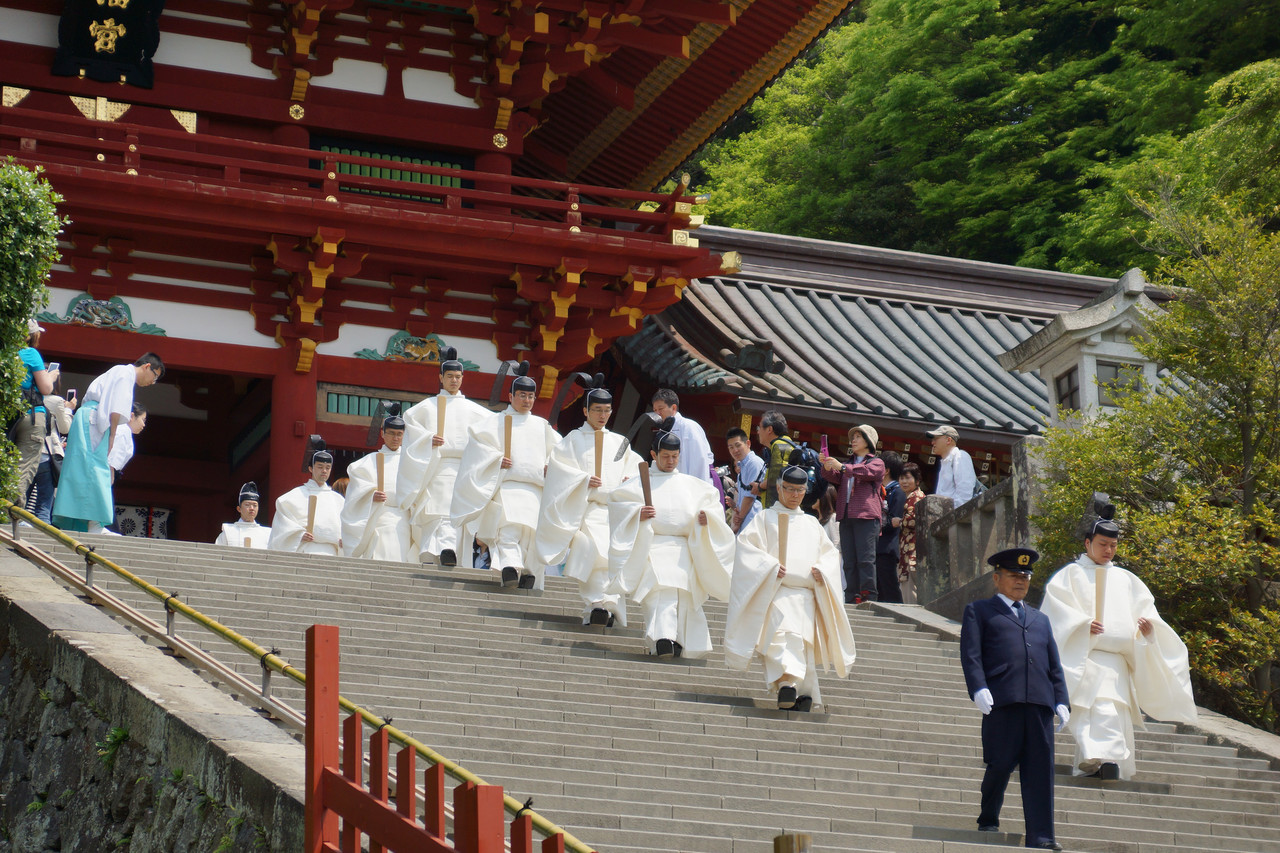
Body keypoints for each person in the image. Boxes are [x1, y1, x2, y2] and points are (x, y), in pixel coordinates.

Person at [1039, 518, 1197, 781]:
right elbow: (1055, 615)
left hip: (1118, 662)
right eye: (1103, 544)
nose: (1108, 550)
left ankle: (1095, 763)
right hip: (1086, 657)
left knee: (1114, 711)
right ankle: (1104, 758)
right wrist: (1081, 626)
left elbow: (1147, 614)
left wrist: (1148, 633)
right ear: (1088, 543)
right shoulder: (1070, 575)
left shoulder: (1127, 579)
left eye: (1113, 545)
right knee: (1098, 709)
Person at [960, 548, 1069, 851]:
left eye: (1026, 576)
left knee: (1040, 771)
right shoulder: (980, 611)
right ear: (997, 578)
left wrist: (1061, 699)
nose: (1021, 581)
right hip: (1003, 700)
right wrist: (978, 687)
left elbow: (1053, 664)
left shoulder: (1040, 619)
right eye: (1014, 575)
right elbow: (971, 654)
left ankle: (1042, 836)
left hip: (1039, 703)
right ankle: (988, 816)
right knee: (999, 763)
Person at [725, 465, 857, 711]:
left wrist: (822, 570)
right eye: (790, 489)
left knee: (802, 644)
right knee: (782, 638)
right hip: (777, 591)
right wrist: (769, 567)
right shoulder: (764, 518)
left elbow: (829, 555)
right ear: (779, 488)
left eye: (800, 490)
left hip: (805, 594)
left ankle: (800, 692)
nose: (795, 495)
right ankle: (788, 684)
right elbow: (747, 550)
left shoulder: (811, 523)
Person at [607, 423, 734, 658]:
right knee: (660, 593)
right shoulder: (636, 484)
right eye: (666, 456)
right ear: (654, 455)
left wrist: (707, 519)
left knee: (685, 597)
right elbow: (618, 504)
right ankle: (662, 638)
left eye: (675, 456)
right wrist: (637, 514)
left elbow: (712, 508)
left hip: (684, 550)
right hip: (653, 547)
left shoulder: (693, 486)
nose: (671, 461)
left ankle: (680, 641)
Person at [535, 381, 643, 626]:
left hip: (613, 512)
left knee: (611, 558)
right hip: (586, 508)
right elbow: (558, 469)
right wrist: (583, 480)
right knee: (594, 555)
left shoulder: (620, 442)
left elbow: (635, 468)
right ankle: (598, 602)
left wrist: (629, 480)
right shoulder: (573, 439)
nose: (602, 415)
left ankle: (601, 607)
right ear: (586, 411)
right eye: (597, 410)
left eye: (606, 411)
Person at [450, 363, 559, 588]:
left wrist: (551, 464)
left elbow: (559, 452)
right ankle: (509, 566)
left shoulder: (542, 426)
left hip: (534, 491)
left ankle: (528, 572)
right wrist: (496, 460)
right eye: (522, 395)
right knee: (507, 531)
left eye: (531, 396)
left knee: (530, 536)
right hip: (507, 487)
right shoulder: (493, 423)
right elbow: (477, 449)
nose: (527, 400)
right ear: (511, 396)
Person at [52, 354, 164, 533]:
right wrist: (112, 434)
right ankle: (94, 523)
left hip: (92, 418)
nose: (152, 382)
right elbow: (116, 408)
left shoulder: (122, 372)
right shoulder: (125, 373)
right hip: (94, 420)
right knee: (95, 469)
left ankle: (86, 523)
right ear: (147, 366)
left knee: (85, 469)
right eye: (155, 376)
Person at [400, 347, 490, 566]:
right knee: (437, 512)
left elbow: (492, 436)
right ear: (441, 377)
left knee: (454, 514)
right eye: (449, 376)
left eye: (458, 376)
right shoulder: (424, 408)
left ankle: (446, 551)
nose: (454, 380)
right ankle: (437, 550)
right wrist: (427, 440)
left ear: (463, 378)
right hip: (436, 467)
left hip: (463, 469)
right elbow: (411, 429)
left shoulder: (477, 411)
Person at [819, 424, 884, 603]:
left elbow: (866, 472)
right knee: (849, 560)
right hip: (846, 515)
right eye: (853, 437)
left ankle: (868, 596)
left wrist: (841, 467)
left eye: (858, 437)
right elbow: (832, 476)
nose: (853, 440)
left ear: (868, 441)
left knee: (866, 559)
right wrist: (826, 465)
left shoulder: (876, 462)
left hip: (866, 515)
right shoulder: (848, 464)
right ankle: (851, 595)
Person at [341, 410, 412, 562]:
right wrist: (370, 495)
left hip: (403, 518)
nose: (395, 438)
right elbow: (356, 492)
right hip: (379, 516)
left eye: (399, 434)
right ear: (382, 434)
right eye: (391, 433)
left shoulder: (410, 461)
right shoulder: (367, 463)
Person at [267, 438, 344, 556]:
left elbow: (348, 527)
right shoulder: (293, 497)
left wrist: (345, 539)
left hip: (331, 552)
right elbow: (282, 525)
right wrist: (298, 535)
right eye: (320, 467)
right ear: (310, 468)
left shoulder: (339, 500)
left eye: (328, 467)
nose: (324, 471)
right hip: (306, 549)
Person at [13, 319, 59, 506]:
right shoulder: (30, 353)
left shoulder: (7, 354)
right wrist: (51, 376)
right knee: (22, 469)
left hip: (10, 415)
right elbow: (46, 388)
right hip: (31, 416)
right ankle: (9, 514)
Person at [29, 389, 75, 525]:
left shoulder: (25, 397)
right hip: (46, 455)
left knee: (21, 503)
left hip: (28, 455)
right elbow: (65, 428)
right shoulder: (56, 401)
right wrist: (68, 409)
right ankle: (41, 535)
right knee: (43, 506)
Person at [650, 389, 714, 483]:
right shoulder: (663, 430)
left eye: (660, 409)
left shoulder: (688, 427)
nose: (657, 413)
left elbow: (698, 463)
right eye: (655, 410)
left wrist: (694, 488)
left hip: (695, 482)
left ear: (673, 408)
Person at [875, 451, 906, 603]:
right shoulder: (879, 490)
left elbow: (895, 520)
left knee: (890, 588)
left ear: (886, 470)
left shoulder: (898, 491)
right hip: (877, 546)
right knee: (879, 590)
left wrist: (873, 524)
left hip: (887, 547)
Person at [896, 463, 926, 604]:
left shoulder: (916, 497)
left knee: (911, 594)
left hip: (912, 552)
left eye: (908, 478)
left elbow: (913, 521)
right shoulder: (911, 497)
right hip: (908, 552)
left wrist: (898, 522)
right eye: (901, 478)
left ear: (917, 481)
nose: (904, 482)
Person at [927, 425, 978, 506]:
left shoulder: (960, 456)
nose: (932, 442)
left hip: (956, 512)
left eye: (935, 439)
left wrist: (953, 511)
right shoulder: (945, 462)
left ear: (948, 440)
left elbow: (965, 494)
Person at [753, 410, 793, 508]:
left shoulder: (780, 445)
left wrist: (759, 486)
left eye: (759, 427)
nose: (758, 431)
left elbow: (778, 477)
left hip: (778, 509)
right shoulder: (785, 443)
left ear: (769, 429)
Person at [726, 427, 763, 533]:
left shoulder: (754, 463)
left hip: (753, 521)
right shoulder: (742, 466)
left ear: (748, 443)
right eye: (731, 447)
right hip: (745, 521)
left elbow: (750, 497)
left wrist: (739, 519)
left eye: (738, 445)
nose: (735, 450)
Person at [215, 481, 271, 548]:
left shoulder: (267, 534)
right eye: (247, 505)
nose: (252, 508)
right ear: (239, 509)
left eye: (255, 505)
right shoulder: (228, 532)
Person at [107, 402, 147, 476]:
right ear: (132, 416)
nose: (144, 425)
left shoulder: (121, 429)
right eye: (143, 420)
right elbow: (112, 462)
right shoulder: (124, 430)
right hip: (107, 473)